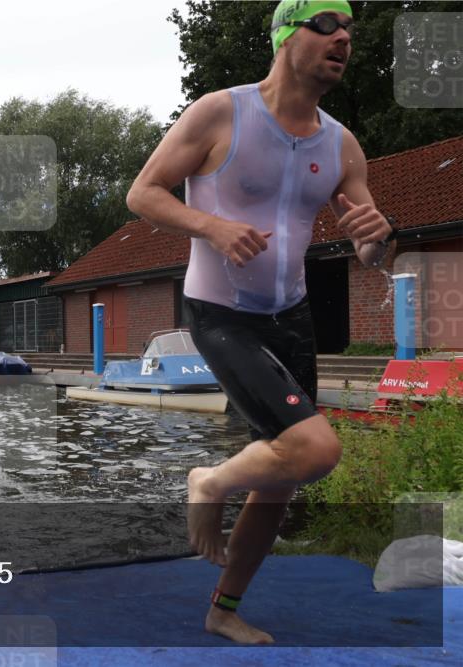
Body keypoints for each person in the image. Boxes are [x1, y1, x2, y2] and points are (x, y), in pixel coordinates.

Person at [125, 1, 394, 644]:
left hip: (290, 316)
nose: (344, 38)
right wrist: (211, 225)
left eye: (350, 28)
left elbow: (369, 250)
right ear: (284, 35)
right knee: (317, 449)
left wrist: (377, 238)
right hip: (222, 312)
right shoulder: (223, 112)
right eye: (326, 24)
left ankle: (223, 608)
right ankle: (209, 479)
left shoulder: (341, 143)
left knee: (283, 480)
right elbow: (144, 193)